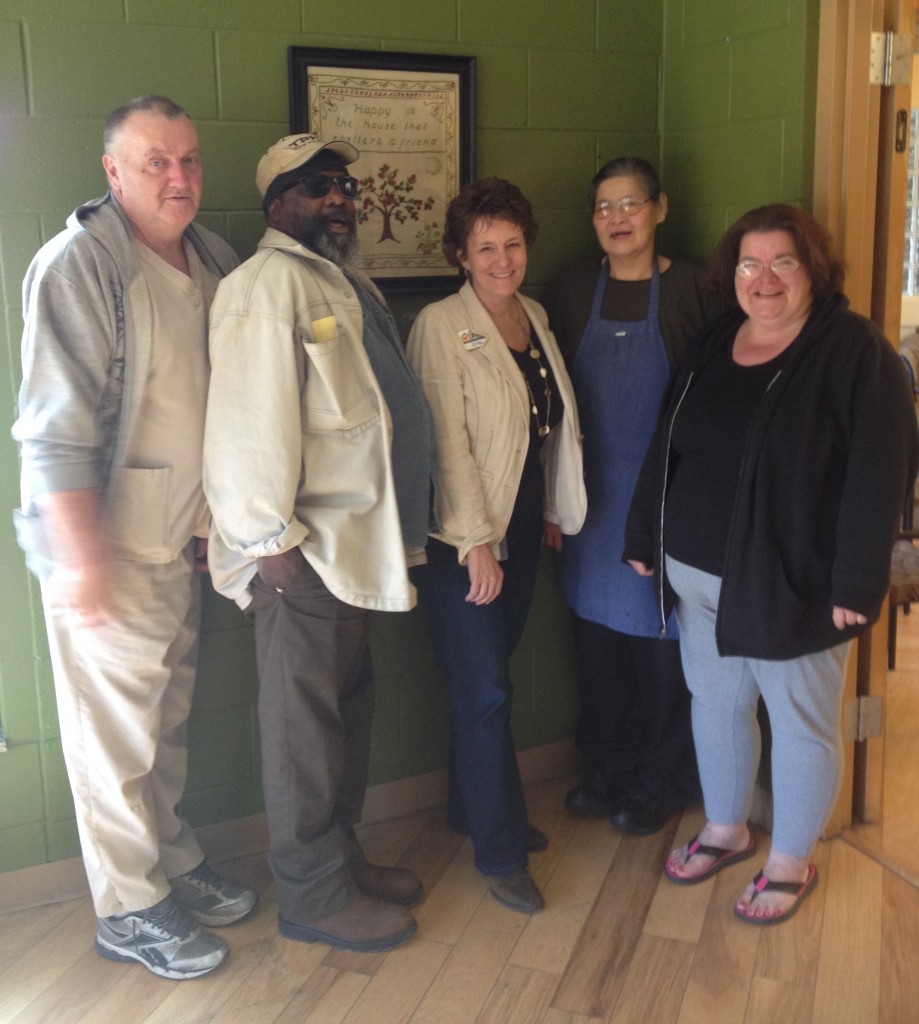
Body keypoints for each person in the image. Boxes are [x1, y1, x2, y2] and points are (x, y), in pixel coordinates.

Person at [11, 95, 257, 980]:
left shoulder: (213, 260)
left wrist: (212, 522)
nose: (179, 177)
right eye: (155, 161)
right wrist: (80, 563)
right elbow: (51, 430)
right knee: (112, 741)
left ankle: (172, 863)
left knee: (165, 727)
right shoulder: (80, 264)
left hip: (182, 540)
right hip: (104, 551)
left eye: (188, 159)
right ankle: (129, 905)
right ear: (112, 171)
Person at [623, 203, 919, 924]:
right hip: (695, 577)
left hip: (795, 583)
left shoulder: (855, 352)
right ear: (732, 276)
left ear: (812, 271)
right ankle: (725, 828)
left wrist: (855, 578)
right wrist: (642, 534)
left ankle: (789, 861)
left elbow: (880, 473)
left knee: (800, 724)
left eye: (782, 262)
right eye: (749, 264)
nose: (763, 279)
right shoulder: (718, 336)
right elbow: (670, 438)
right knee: (716, 704)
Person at [203, 134, 437, 953]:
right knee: (303, 734)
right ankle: (310, 895)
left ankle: (338, 858)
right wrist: (273, 546)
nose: (336, 199)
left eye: (341, 185)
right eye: (313, 188)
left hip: (351, 553)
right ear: (275, 205)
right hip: (301, 557)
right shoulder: (262, 288)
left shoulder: (337, 278)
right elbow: (243, 428)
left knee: (344, 716)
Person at [406, 178, 587, 915]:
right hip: (464, 537)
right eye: (485, 247)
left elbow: (542, 429)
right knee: (485, 692)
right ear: (460, 254)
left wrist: (544, 509)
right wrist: (473, 542)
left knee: (486, 681)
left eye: (511, 243)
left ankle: (469, 809)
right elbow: (446, 443)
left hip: (516, 523)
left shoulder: (533, 317)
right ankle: (498, 850)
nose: (501, 258)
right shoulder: (440, 325)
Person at [544, 157, 710, 833]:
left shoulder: (694, 290)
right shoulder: (572, 287)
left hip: (664, 498)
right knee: (597, 645)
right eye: (603, 208)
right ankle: (607, 765)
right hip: (588, 500)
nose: (616, 219)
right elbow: (508, 348)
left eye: (630, 204)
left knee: (661, 646)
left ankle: (661, 778)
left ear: (659, 209)